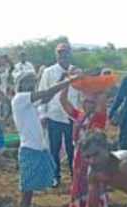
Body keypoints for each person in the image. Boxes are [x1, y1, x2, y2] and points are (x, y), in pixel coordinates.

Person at [12, 71, 80, 207]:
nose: (31, 85)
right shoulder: (20, 98)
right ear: (20, 84)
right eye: (28, 82)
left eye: (32, 82)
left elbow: (48, 95)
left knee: (29, 195)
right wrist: (69, 81)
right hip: (30, 152)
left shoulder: (27, 102)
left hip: (35, 151)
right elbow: (46, 92)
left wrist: (62, 82)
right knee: (26, 197)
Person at [58, 80, 110, 207]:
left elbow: (102, 99)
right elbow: (63, 101)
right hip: (79, 159)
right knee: (79, 188)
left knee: (95, 189)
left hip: (94, 160)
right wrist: (67, 82)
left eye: (91, 102)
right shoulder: (79, 116)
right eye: (86, 101)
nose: (89, 104)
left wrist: (96, 85)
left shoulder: (99, 117)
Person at [38, 43, 81, 187]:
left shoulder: (77, 72)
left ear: (70, 54)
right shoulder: (48, 72)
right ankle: (55, 176)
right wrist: (43, 114)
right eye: (60, 53)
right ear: (56, 55)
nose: (63, 56)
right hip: (53, 116)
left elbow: (81, 96)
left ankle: (75, 176)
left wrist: (81, 117)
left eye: (66, 53)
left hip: (72, 117)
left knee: (72, 148)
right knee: (54, 148)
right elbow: (43, 93)